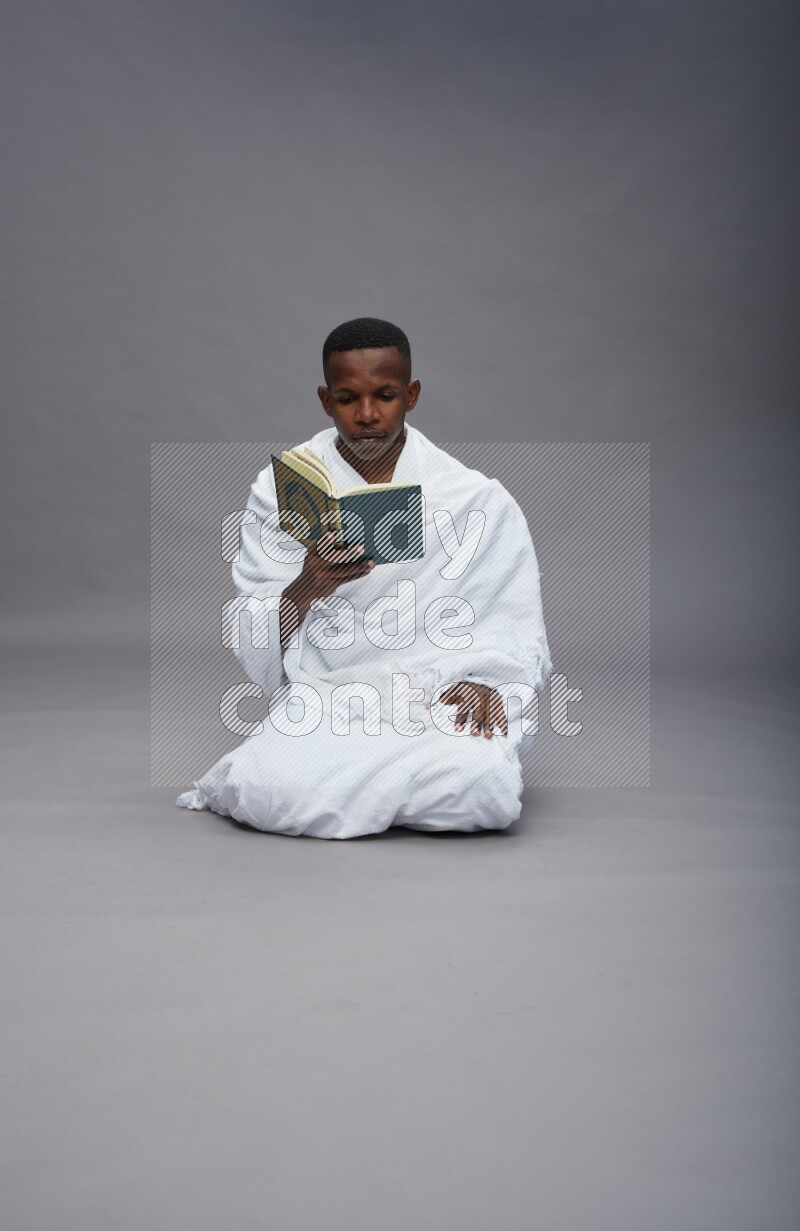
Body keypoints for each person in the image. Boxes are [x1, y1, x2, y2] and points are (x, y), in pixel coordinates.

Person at [176, 317, 551, 838]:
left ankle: (363, 787)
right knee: (267, 789)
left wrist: (484, 678)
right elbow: (252, 616)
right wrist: (308, 586)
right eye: (348, 398)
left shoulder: (473, 498)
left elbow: (510, 617)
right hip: (330, 693)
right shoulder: (280, 490)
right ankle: (387, 789)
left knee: (483, 788)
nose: (368, 415)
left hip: (437, 690)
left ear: (412, 394)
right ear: (325, 400)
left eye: (386, 395)